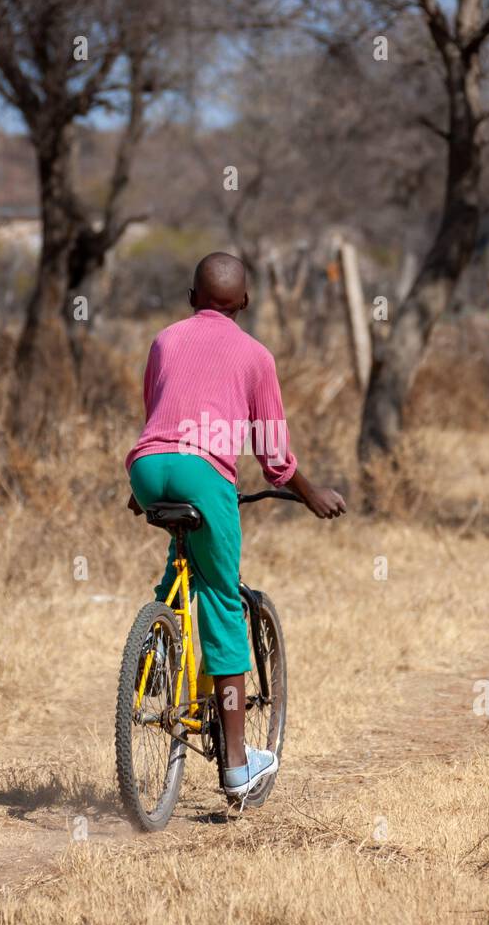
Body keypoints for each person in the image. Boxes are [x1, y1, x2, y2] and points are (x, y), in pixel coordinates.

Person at [125, 251, 346, 799]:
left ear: (192, 297)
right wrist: (310, 492)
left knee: (184, 563)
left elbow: (159, 414)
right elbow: (274, 454)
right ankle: (237, 766)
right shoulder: (255, 355)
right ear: (245, 301)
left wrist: (144, 489)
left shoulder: (165, 340)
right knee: (224, 602)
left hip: (148, 467)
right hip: (205, 475)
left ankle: (156, 651)